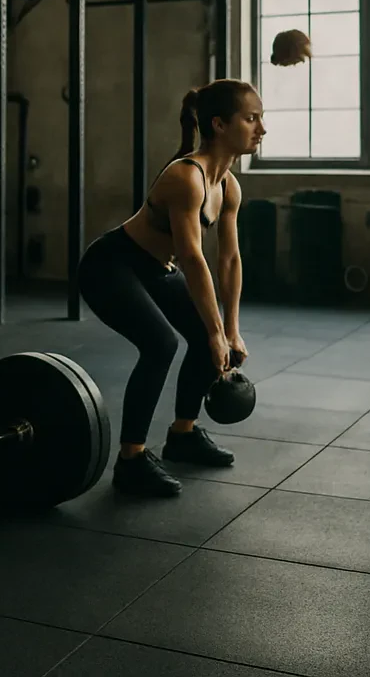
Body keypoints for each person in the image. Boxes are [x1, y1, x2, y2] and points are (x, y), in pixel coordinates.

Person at [78, 79, 265, 498]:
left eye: (261, 119)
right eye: (251, 118)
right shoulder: (187, 177)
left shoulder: (228, 185)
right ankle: (131, 460)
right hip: (112, 265)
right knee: (161, 343)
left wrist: (229, 330)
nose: (261, 129)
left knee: (202, 335)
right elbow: (194, 258)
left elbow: (229, 260)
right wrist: (216, 333)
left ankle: (182, 434)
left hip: (157, 267)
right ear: (218, 124)